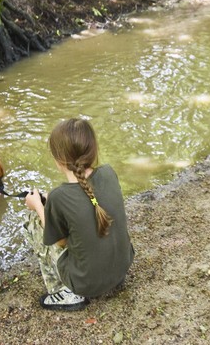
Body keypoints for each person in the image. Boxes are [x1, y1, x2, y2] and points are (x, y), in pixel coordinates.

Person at [24, 118, 134, 310]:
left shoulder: (59, 197)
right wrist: (52, 203)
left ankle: (62, 291)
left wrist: (38, 207)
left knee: (33, 221)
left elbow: (59, 243)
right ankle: (109, 274)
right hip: (122, 267)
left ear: (58, 160)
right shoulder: (108, 172)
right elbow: (89, 202)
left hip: (87, 283)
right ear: (93, 150)